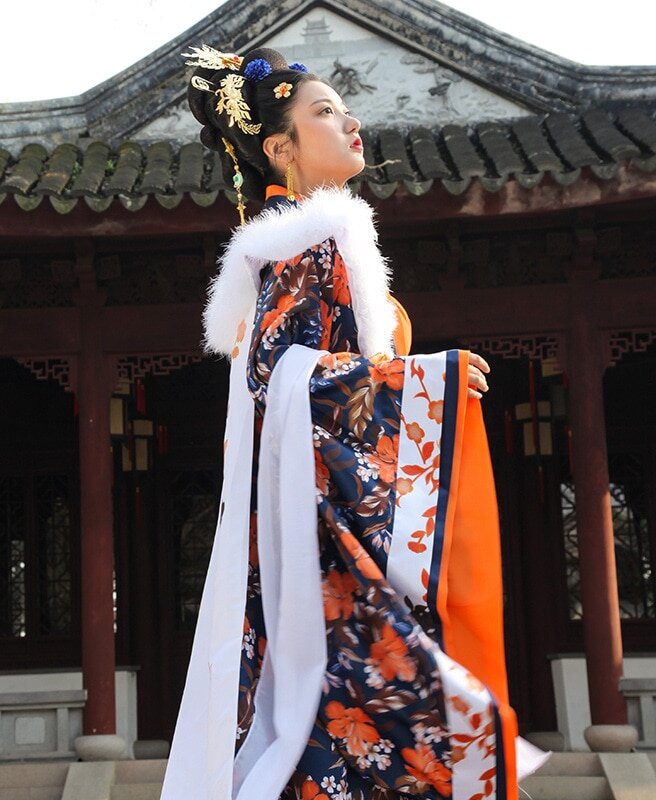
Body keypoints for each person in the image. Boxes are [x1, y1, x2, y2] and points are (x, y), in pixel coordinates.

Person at [161, 46, 546, 800]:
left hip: (317, 529)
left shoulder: (301, 239)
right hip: (321, 551)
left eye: (344, 108)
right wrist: (418, 380)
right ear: (281, 148)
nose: (350, 121)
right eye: (325, 112)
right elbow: (282, 374)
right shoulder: (307, 241)